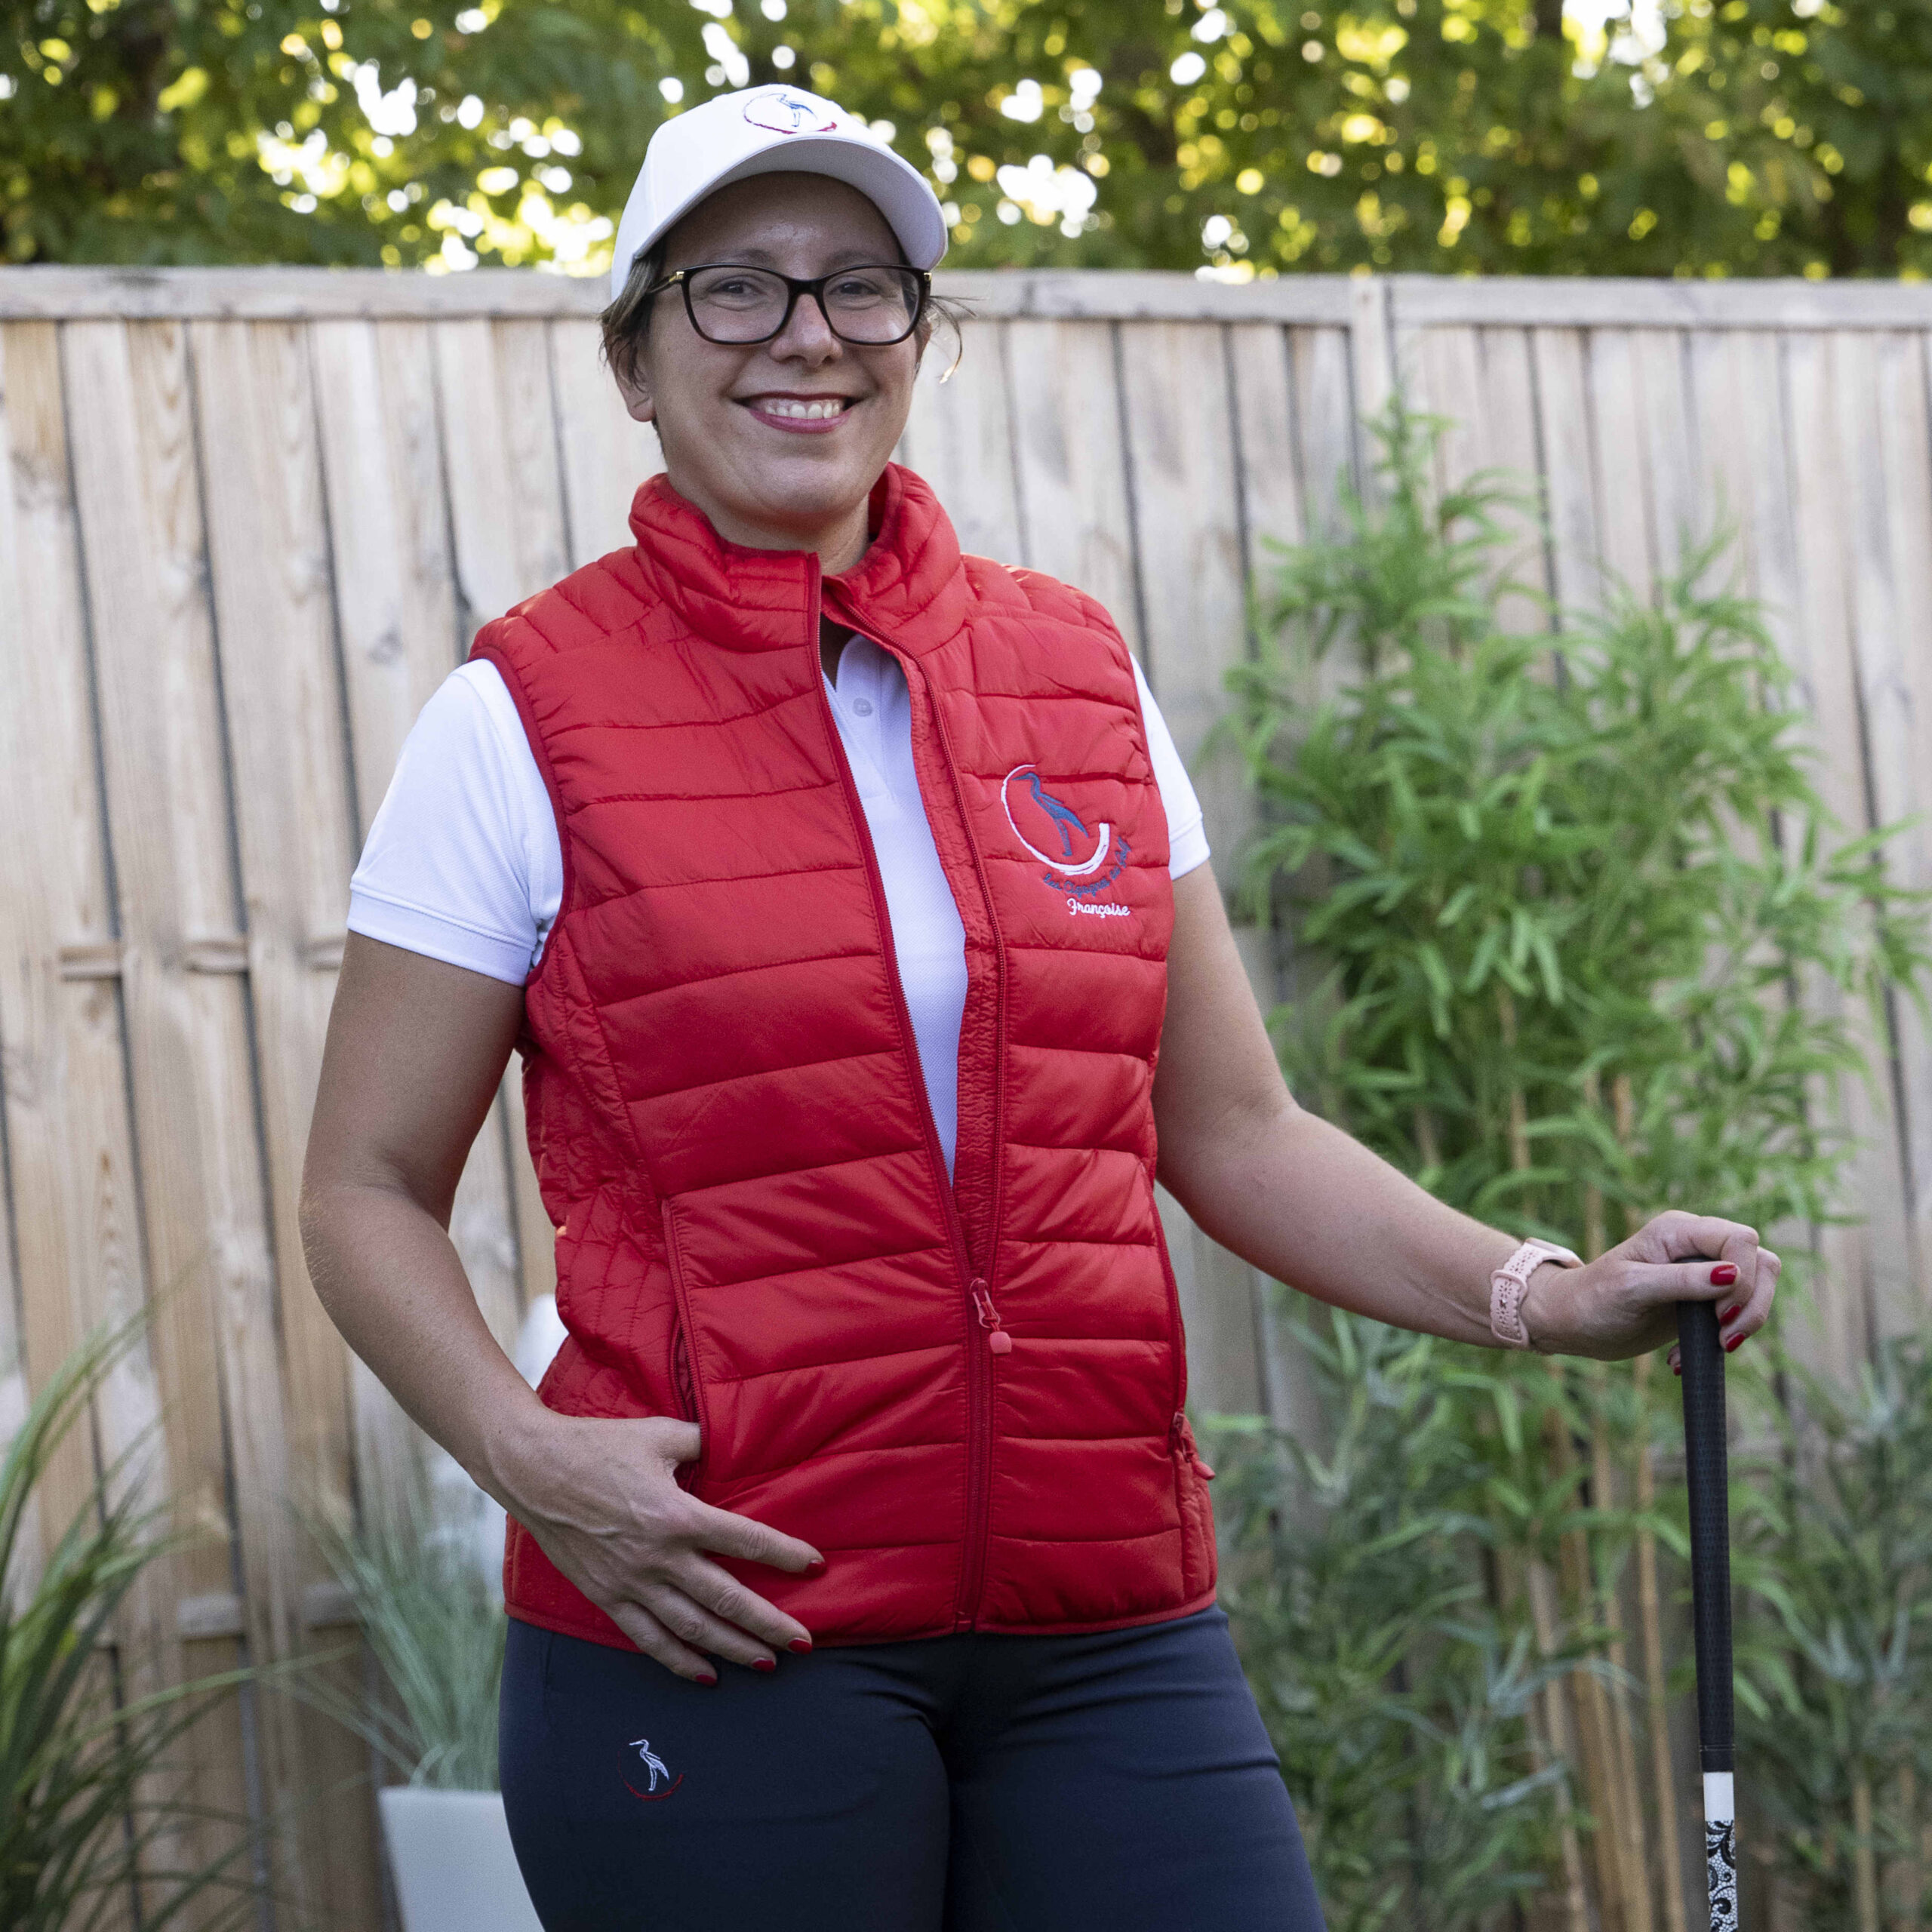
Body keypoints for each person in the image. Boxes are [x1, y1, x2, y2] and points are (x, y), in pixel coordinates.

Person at [298, 82, 1780, 1932]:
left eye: (862, 287)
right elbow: (362, 1186)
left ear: (916, 338)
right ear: (633, 352)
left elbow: (1228, 1126)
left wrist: (1542, 1293)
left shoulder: (1074, 675)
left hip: (1108, 1630)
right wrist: (526, 1455)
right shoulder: (519, 714)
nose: (807, 337)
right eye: (734, 289)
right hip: (720, 1622)